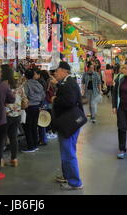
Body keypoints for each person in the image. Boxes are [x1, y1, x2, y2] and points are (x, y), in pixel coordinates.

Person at [52, 61, 84, 190]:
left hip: (69, 123)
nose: (55, 73)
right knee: (67, 151)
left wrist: (55, 100)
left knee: (68, 153)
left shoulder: (69, 84)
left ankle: (75, 182)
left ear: (64, 71)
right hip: (69, 123)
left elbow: (69, 101)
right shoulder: (67, 82)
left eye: (57, 70)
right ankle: (67, 176)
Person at [1, 64, 25, 167]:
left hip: (5, 115)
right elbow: (25, 101)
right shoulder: (19, 87)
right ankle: (14, 159)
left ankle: (0, 160)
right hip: (17, 115)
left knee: (1, 138)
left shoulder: (1, 86)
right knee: (13, 137)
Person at [23, 68, 46, 153]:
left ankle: (31, 146)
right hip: (37, 107)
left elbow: (24, 95)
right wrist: (39, 103)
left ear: (25, 76)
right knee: (34, 126)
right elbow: (43, 95)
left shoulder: (26, 84)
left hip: (29, 107)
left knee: (28, 127)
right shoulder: (38, 84)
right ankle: (35, 144)